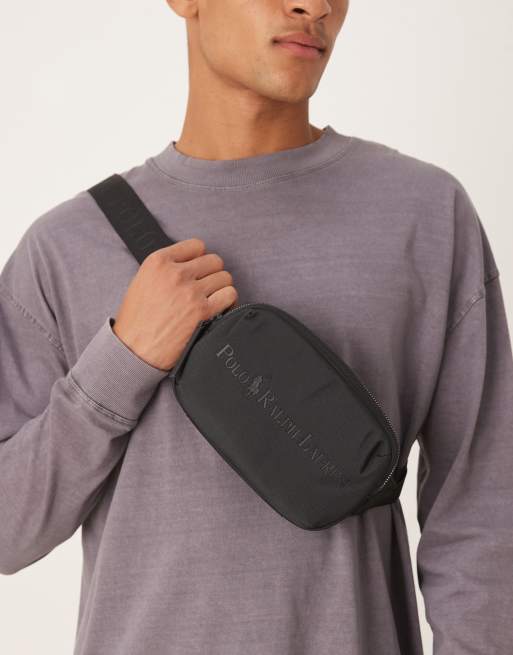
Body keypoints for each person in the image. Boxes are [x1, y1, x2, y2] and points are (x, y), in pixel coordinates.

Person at [1, 1, 512, 653]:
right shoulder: (65, 247)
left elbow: (484, 520)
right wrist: (122, 360)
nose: (314, 6)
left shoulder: (424, 216)